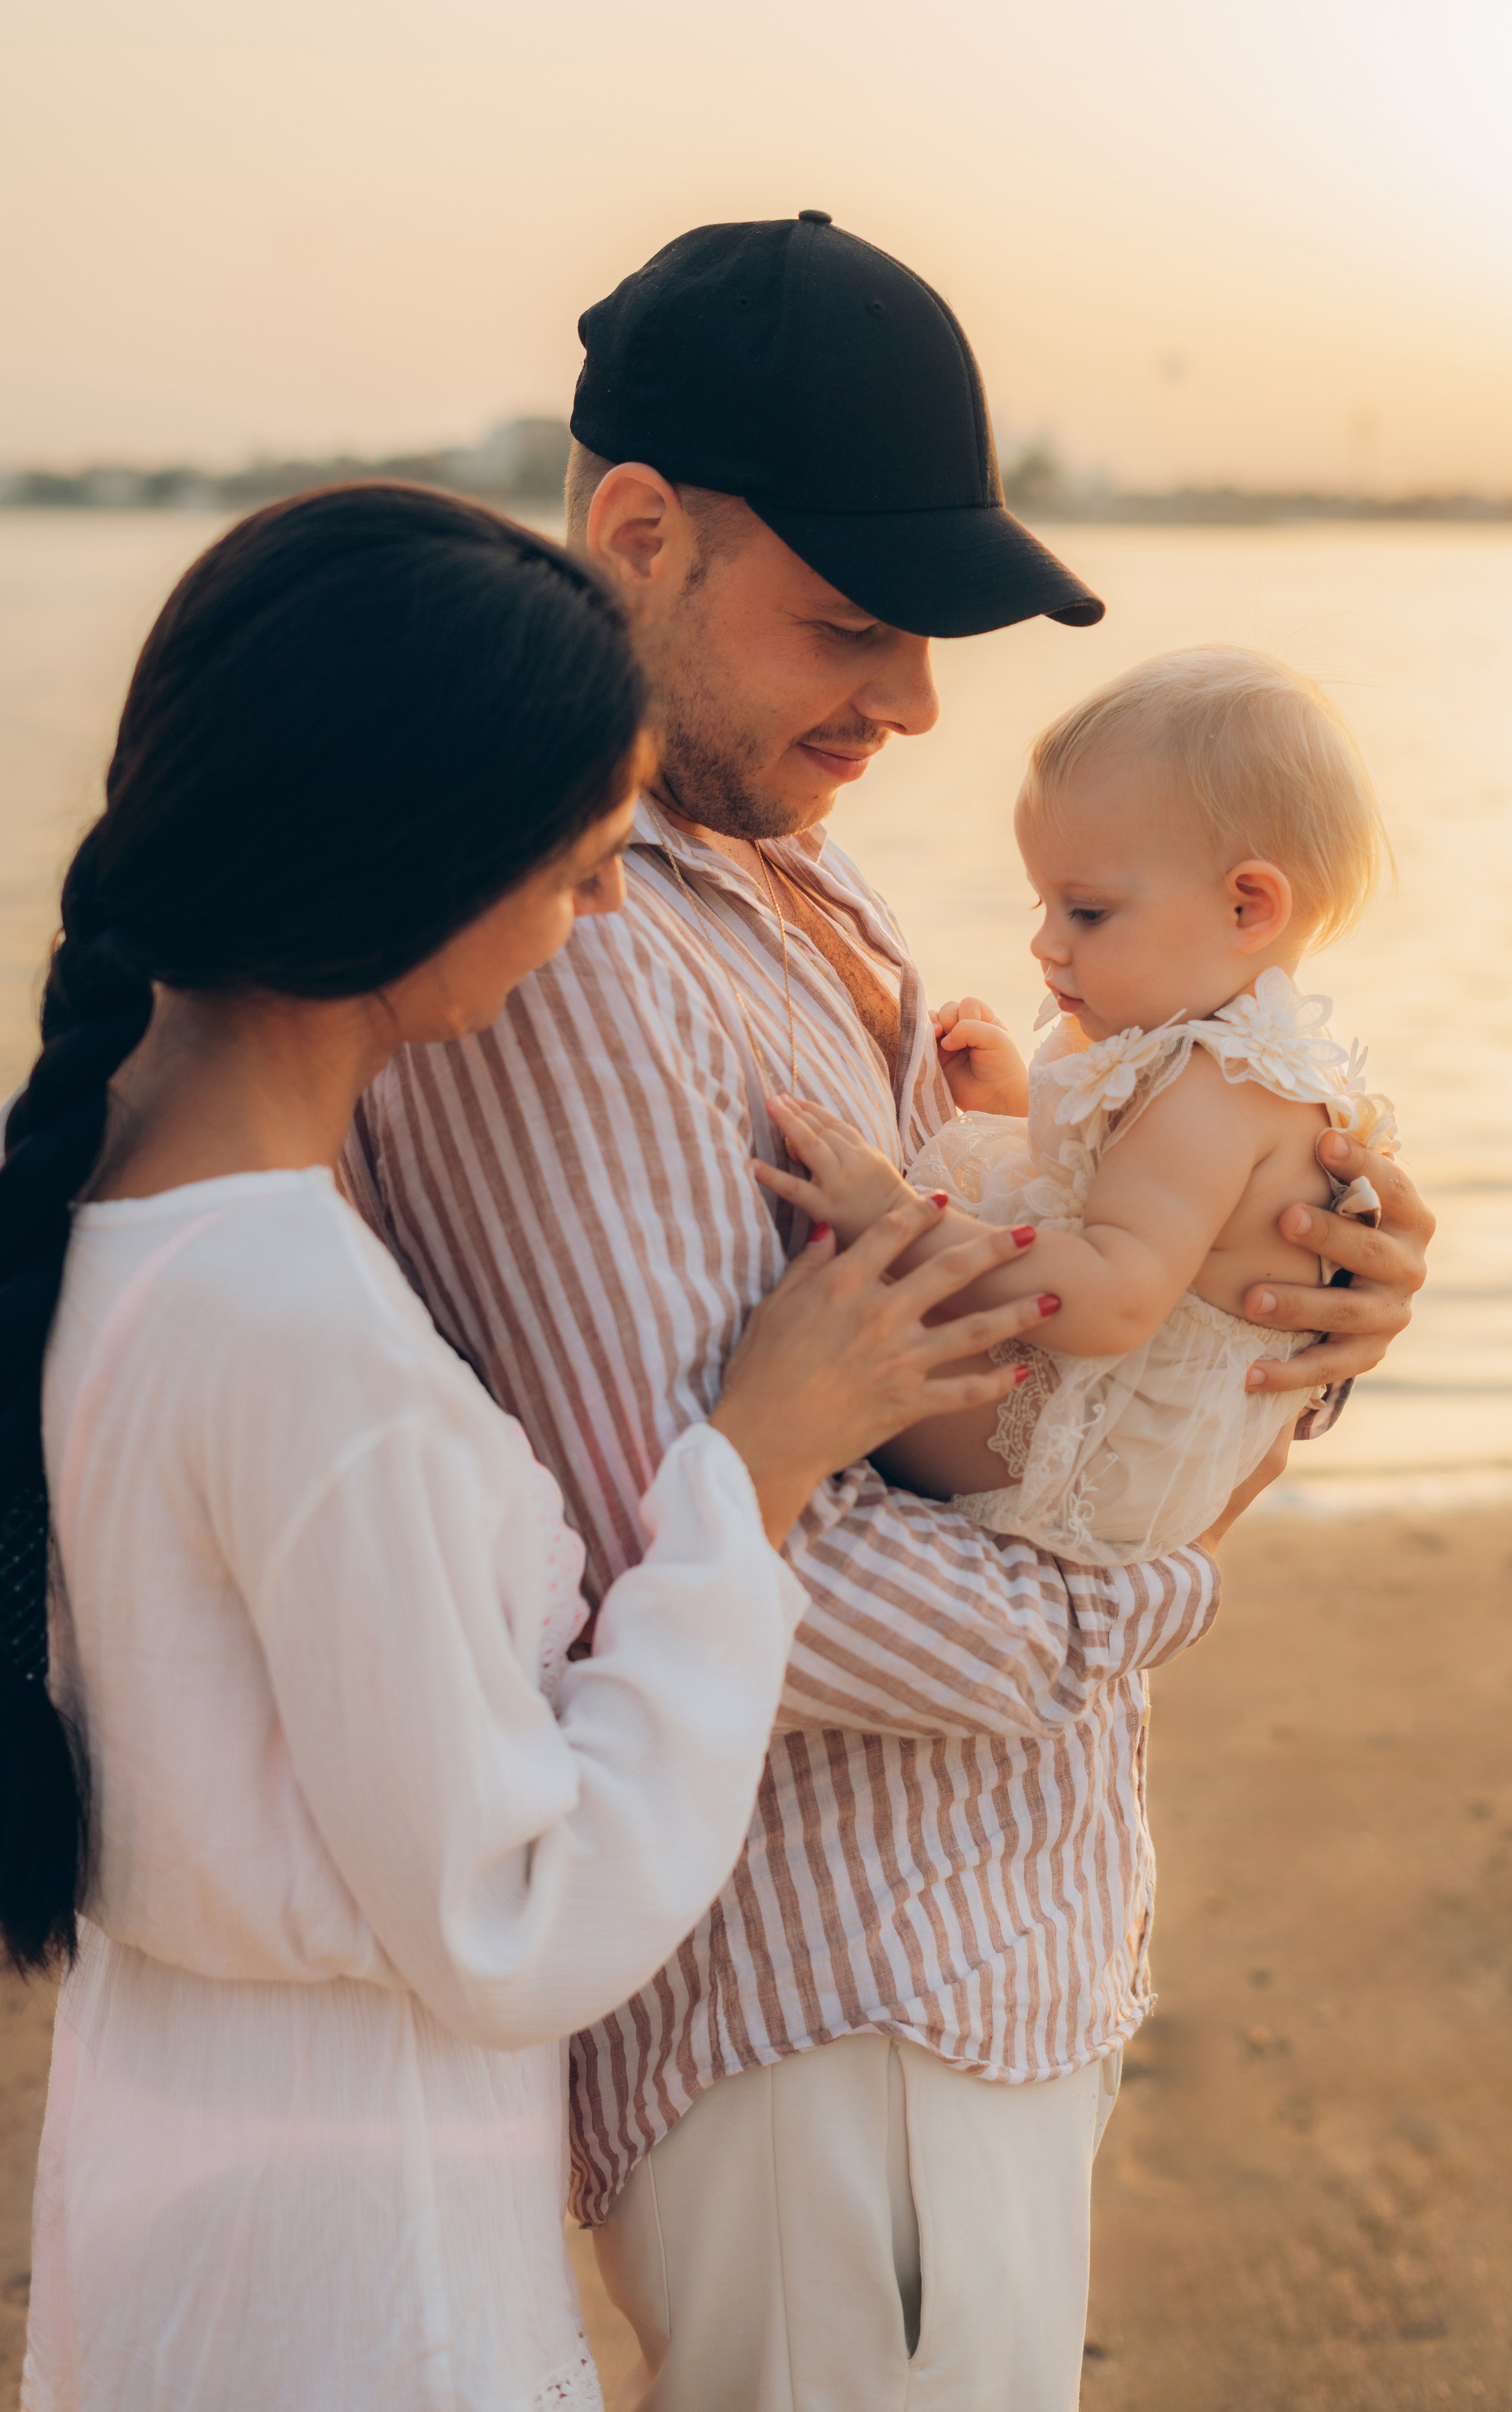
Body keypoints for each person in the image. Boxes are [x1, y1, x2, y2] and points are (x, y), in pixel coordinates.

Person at [343, 216, 1434, 2411]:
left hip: (980, 1963)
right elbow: (679, 1551)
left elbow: (993, 1343)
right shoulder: (556, 954)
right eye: (854, 622)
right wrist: (1137, 1596)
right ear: (636, 535)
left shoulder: (792, 865)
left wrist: (1289, 1304)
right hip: (829, 2026)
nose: (918, 702)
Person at [0, 483, 1052, 2412]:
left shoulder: (100, 1210)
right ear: (415, 865)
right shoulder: (301, 1330)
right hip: (348, 2247)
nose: (590, 924)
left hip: (175, 2146)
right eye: (575, 872)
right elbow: (513, 1916)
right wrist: (748, 1466)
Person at [760, 646, 1404, 1567]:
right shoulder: (1200, 1061)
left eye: (1088, 913)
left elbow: (1111, 1294)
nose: (1044, 944)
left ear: (1248, 907)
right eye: (1043, 903)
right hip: (1127, 1407)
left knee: (842, 1369)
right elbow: (1124, 1194)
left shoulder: (1218, 1092)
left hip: (1100, 1444)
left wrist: (900, 1222)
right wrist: (1023, 1111)